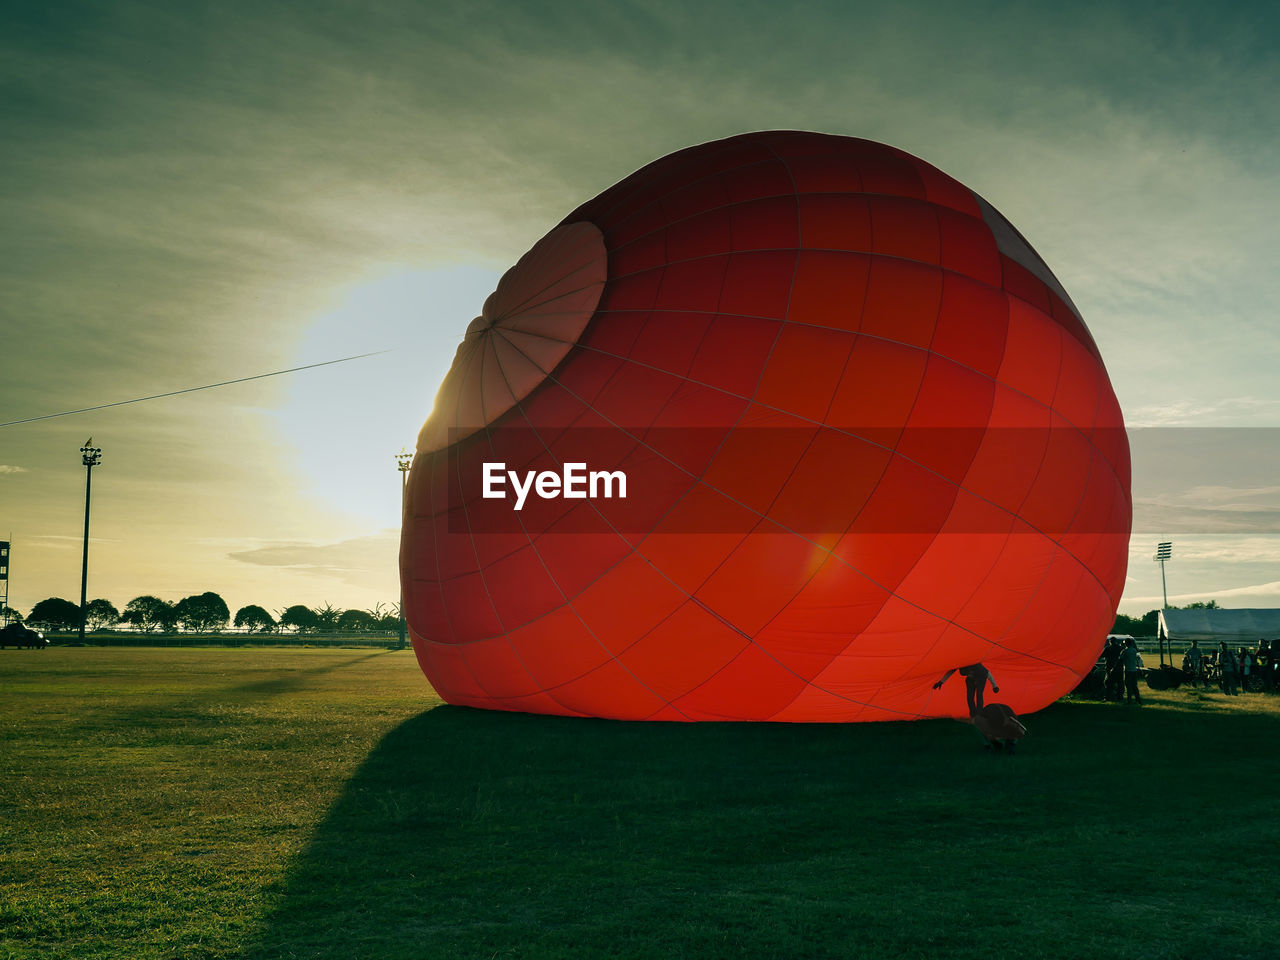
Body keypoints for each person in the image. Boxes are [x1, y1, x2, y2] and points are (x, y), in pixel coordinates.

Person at [933, 663, 999, 715]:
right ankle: (973, 714)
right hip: (970, 679)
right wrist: (941, 682)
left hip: (980, 678)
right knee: (970, 696)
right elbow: (951, 671)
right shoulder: (962, 664)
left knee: (979, 695)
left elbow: (988, 673)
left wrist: (994, 686)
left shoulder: (979, 668)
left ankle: (979, 714)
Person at [1120, 638, 1143, 705]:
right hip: (1134, 670)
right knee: (1134, 686)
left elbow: (1120, 658)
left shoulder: (1125, 651)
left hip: (1128, 670)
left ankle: (1129, 700)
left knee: (1128, 685)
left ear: (1126, 643)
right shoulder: (1134, 650)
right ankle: (1138, 700)